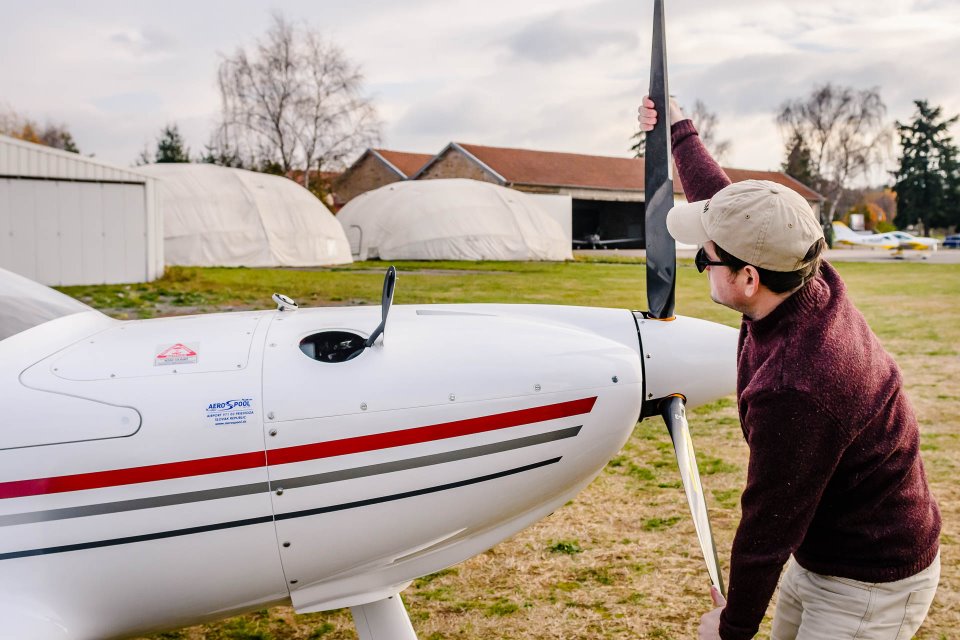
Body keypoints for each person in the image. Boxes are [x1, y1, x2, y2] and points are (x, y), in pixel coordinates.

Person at [637, 97, 941, 640]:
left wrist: (731, 628)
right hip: (821, 553)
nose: (701, 263)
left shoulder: (797, 384)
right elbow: (735, 208)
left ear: (749, 278)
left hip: (869, 580)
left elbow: (766, 529)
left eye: (706, 257)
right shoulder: (801, 270)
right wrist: (679, 129)